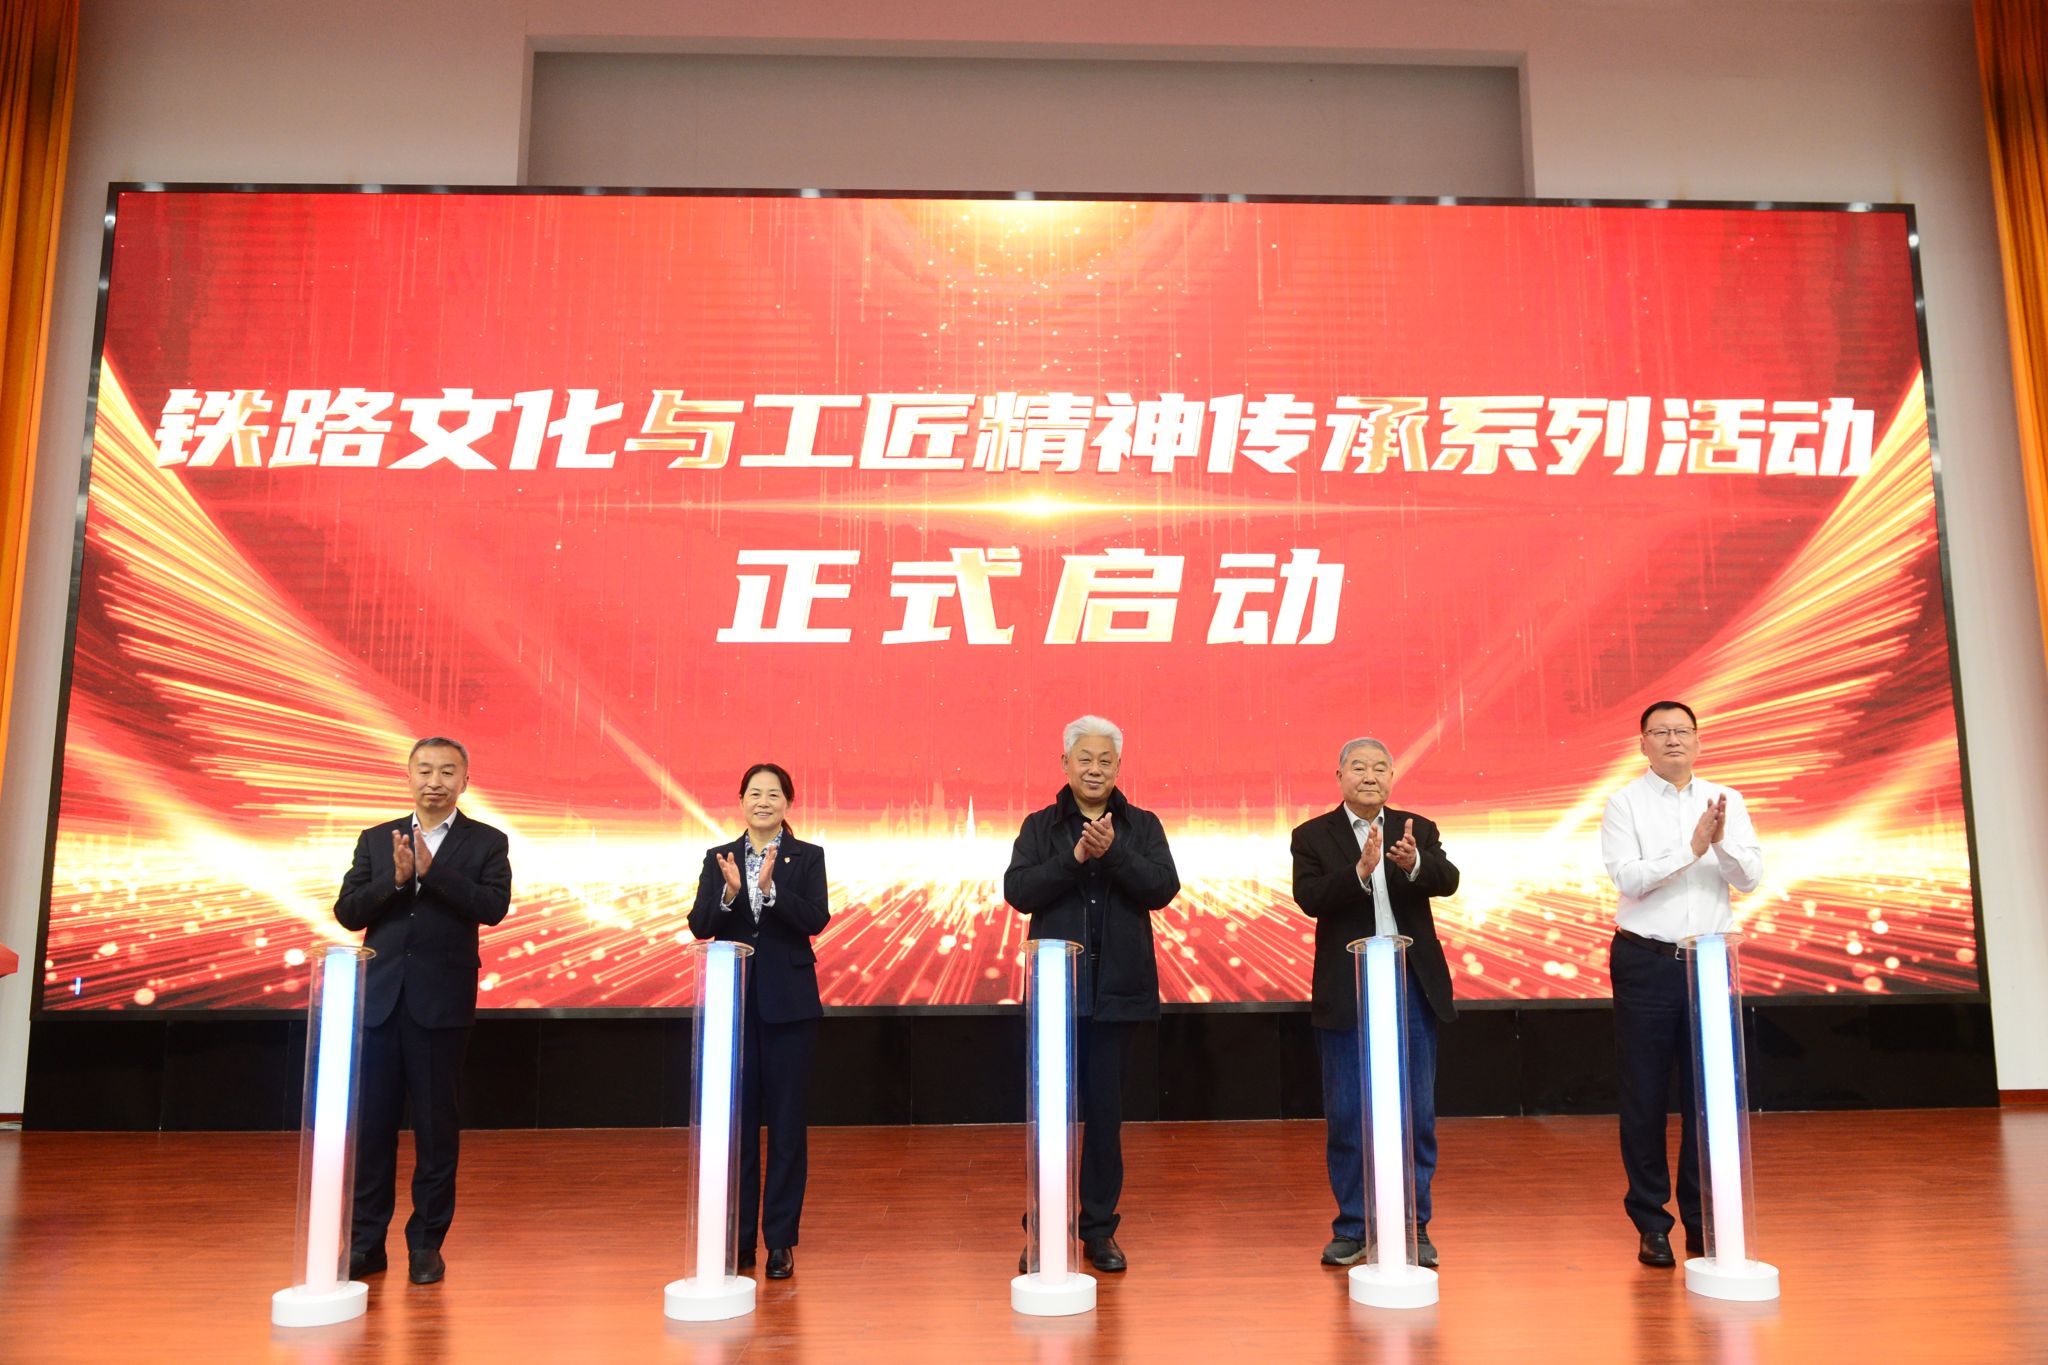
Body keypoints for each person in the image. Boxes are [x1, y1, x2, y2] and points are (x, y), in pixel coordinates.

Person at [1003, 715, 1180, 1273]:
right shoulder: (1040, 826)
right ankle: (1044, 1229)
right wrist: (1076, 857)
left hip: (1117, 995)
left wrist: (1115, 853)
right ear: (1065, 764)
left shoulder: (1142, 825)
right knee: (1052, 1118)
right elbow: (1018, 890)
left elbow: (1163, 888)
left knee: (1105, 1120)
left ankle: (1099, 1230)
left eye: (1106, 760)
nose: (1095, 769)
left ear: (1118, 766)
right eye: (1085, 759)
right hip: (1058, 994)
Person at [335, 737, 512, 1286]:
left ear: (465, 780)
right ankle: (366, 1243)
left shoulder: (487, 841)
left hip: (441, 1004)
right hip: (381, 1002)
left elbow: (493, 907)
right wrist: (393, 880)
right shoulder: (376, 838)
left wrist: (433, 873)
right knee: (373, 1129)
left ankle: (426, 1243)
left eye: (447, 772)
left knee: (436, 1130)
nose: (435, 781)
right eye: (425, 771)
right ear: (409, 777)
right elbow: (348, 912)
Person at [1600, 701, 1763, 1267]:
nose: (1673, 740)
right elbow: (1628, 879)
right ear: (1643, 743)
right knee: (1644, 1096)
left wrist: (1718, 842)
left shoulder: (1726, 799)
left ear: (1698, 740)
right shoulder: (1624, 803)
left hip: (1710, 961)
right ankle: (1652, 1221)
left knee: (1708, 1096)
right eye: (1661, 732)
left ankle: (1702, 1218)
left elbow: (1749, 878)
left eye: (1682, 731)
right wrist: (1690, 849)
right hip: (1645, 960)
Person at [1291, 737, 1460, 1270]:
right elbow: (1309, 898)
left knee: (1416, 1113)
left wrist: (1414, 864)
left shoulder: (1417, 828)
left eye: (1380, 767)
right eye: (1359, 767)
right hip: (1349, 988)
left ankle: (1414, 1224)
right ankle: (1354, 1226)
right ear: (1339, 776)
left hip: (1411, 985)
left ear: (1391, 776)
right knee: (1348, 1114)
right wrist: (1360, 872)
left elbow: (1449, 881)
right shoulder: (1312, 835)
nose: (1370, 776)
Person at [688, 762, 831, 1281]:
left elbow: (815, 919)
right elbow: (700, 924)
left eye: (773, 794)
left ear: (787, 803)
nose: (763, 802)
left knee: (787, 1127)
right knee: (738, 1128)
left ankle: (781, 1241)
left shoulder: (808, 856)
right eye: (754, 793)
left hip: (790, 1007)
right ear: (741, 801)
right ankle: (739, 1238)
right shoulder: (719, 857)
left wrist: (771, 891)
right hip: (734, 1006)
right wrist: (729, 895)